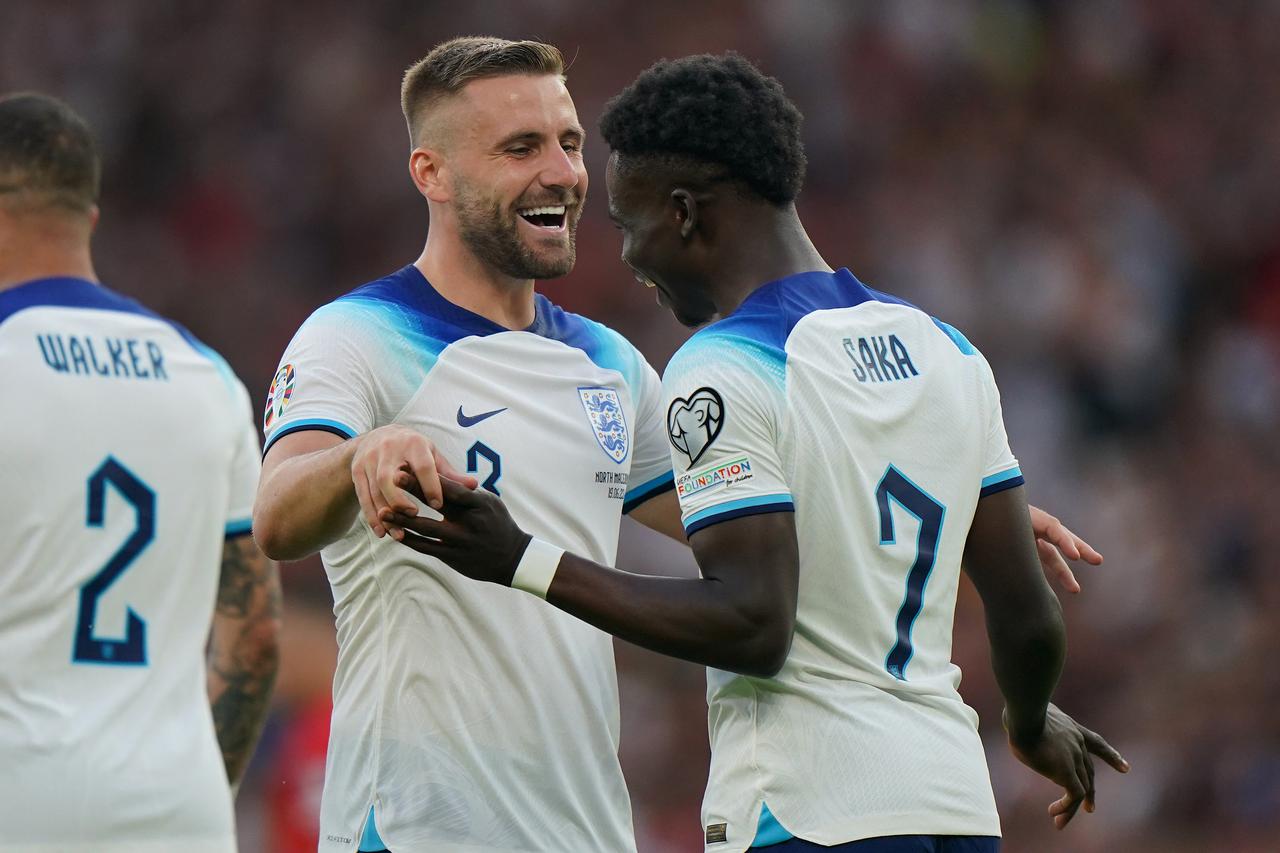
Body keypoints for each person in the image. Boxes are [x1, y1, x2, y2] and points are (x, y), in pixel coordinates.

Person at [394, 54, 1128, 853]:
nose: (630, 257)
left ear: (684, 213)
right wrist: (1029, 722)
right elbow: (1029, 617)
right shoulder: (945, 350)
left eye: (630, 224)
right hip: (956, 813)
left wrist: (523, 559)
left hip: (810, 813)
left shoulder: (722, 366)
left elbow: (752, 622)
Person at [250, 37, 681, 853]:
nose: (562, 172)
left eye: (568, 142)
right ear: (433, 173)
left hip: (584, 833)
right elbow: (275, 513)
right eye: (520, 148)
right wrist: (359, 455)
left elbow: (737, 526)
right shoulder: (357, 334)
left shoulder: (611, 363)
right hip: (416, 829)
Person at [0, 93, 280, 852]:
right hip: (174, 805)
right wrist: (195, 795)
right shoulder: (208, 376)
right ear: (88, 217)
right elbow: (254, 640)